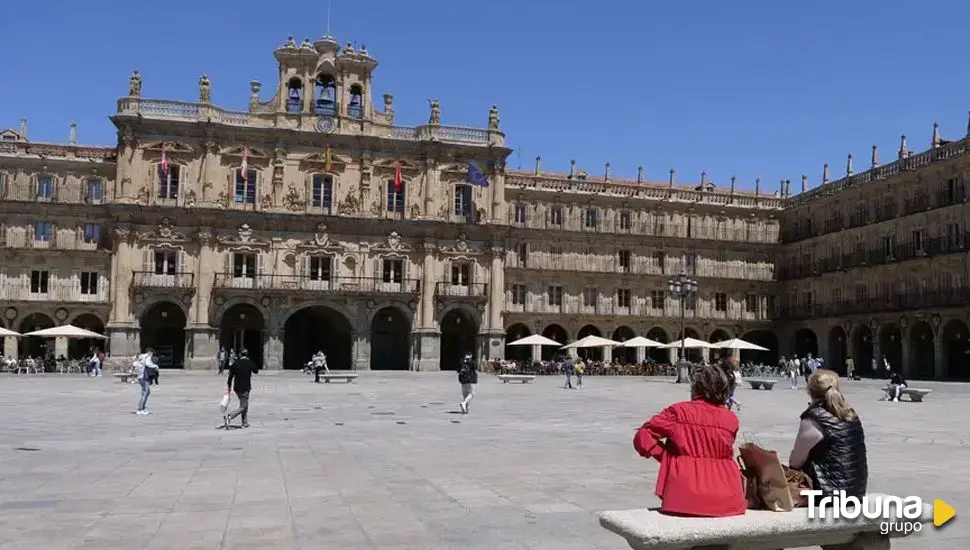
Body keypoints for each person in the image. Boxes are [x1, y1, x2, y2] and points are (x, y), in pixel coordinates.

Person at [633, 364, 746, 517]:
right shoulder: (730, 418)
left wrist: (667, 457)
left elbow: (643, 437)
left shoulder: (678, 412)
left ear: (697, 388)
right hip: (729, 496)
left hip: (685, 495)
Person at [789, 370, 867, 497]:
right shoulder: (851, 415)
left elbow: (796, 461)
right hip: (856, 490)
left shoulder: (814, 419)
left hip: (827, 493)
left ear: (810, 391)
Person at [223, 349, 259, 429]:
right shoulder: (249, 362)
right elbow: (256, 371)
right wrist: (251, 362)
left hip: (237, 387)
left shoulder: (236, 363)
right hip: (245, 387)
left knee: (244, 404)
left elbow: (230, 377)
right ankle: (230, 416)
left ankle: (244, 423)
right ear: (247, 355)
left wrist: (229, 386)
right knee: (243, 406)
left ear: (240, 354)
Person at [133, 348, 158, 415]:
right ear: (150, 352)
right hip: (144, 376)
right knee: (145, 393)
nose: (152, 355)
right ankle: (140, 409)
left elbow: (135, 364)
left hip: (140, 376)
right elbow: (148, 364)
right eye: (152, 353)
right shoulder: (147, 357)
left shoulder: (141, 357)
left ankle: (143, 408)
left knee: (146, 392)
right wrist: (155, 366)